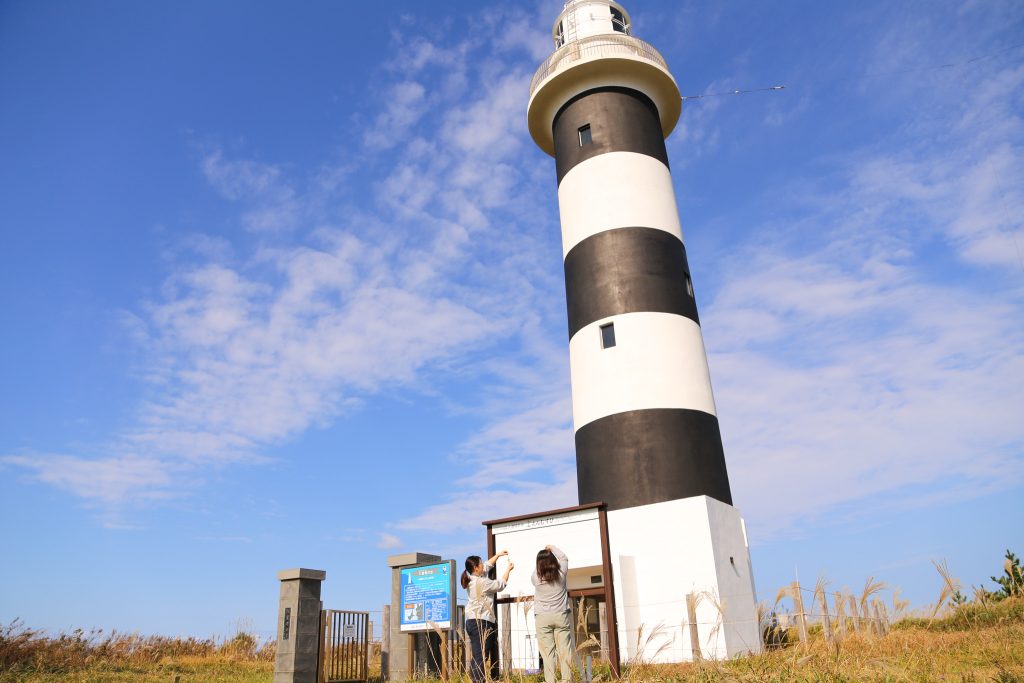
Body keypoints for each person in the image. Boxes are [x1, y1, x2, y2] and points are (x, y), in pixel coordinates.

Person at [462, 550, 514, 683]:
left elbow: (487, 565)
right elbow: (500, 584)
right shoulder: (482, 583)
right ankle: (479, 680)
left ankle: (477, 680)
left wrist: (498, 555)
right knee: (481, 656)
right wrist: (508, 569)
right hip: (481, 622)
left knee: (478, 655)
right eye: (480, 564)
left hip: (472, 621)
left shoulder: (473, 580)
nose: (483, 565)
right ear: (475, 568)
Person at [532, 545, 581, 683]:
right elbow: (564, 557)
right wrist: (551, 548)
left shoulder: (536, 578)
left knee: (547, 653)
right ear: (554, 561)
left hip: (542, 617)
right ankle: (566, 680)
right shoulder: (561, 574)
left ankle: (550, 681)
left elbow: (537, 569)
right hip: (560, 615)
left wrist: (542, 558)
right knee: (565, 651)